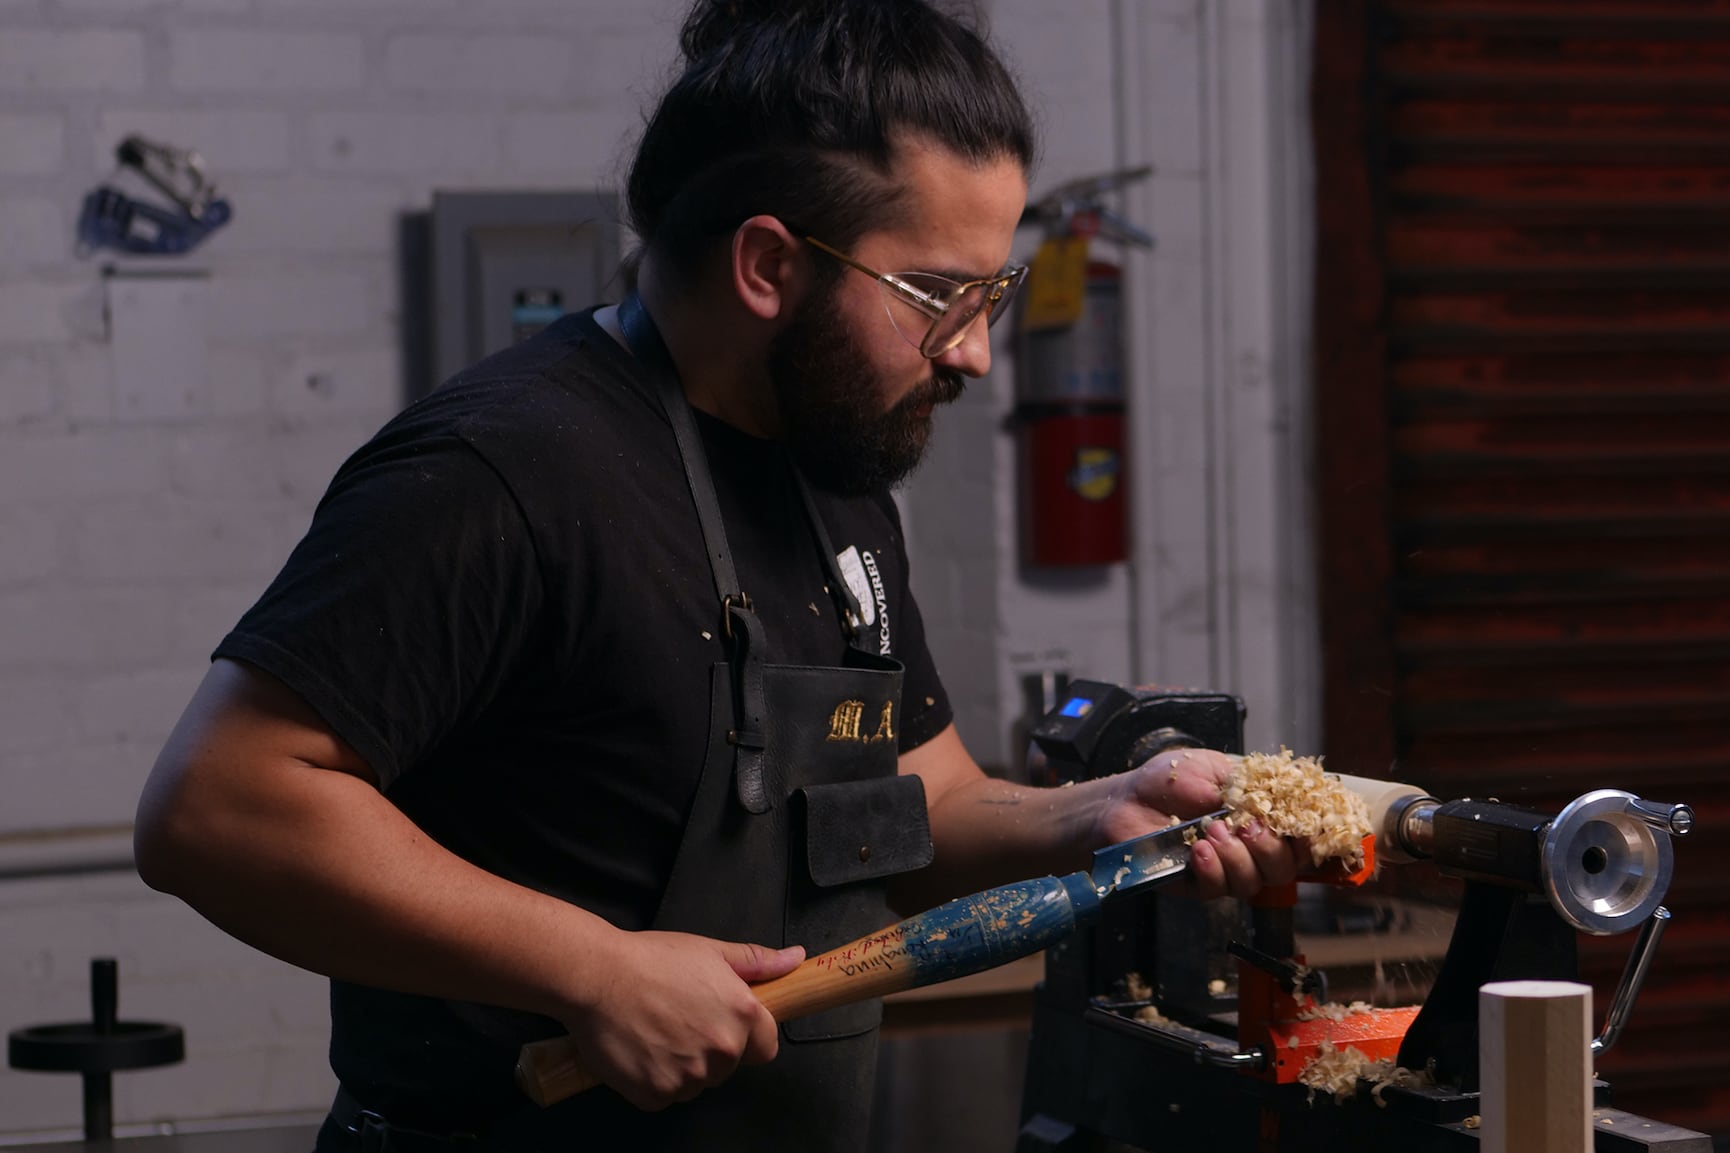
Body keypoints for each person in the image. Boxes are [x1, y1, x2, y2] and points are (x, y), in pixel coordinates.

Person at [134, 2, 1306, 1149]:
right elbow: (219, 805)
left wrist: (1095, 813)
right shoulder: (507, 469)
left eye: (988, 292)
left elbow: (923, 796)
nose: (973, 348)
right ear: (766, 265)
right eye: (937, 294)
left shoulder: (830, 461)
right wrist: (591, 969)